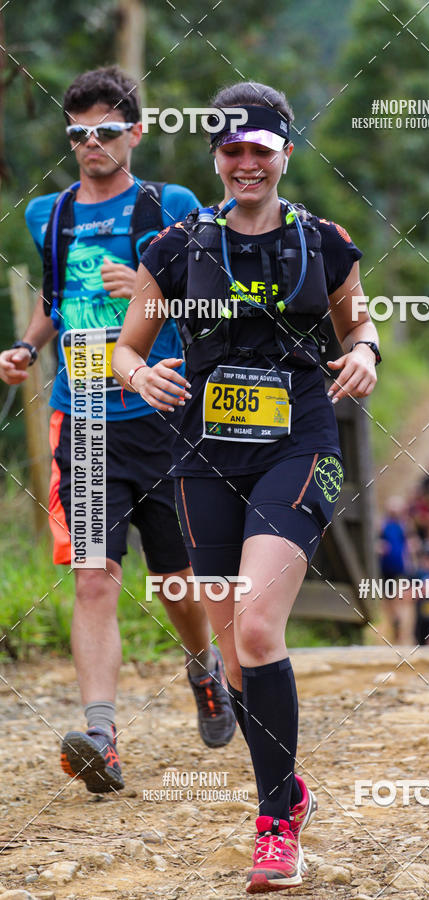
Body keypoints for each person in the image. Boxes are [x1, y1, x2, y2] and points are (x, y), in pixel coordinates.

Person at [112, 81, 380, 893]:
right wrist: (137, 376)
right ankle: (291, 788)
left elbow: (357, 319)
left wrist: (365, 352)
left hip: (298, 446)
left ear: (284, 155)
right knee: (235, 659)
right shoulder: (176, 247)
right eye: (231, 151)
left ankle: (273, 827)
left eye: (260, 150)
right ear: (216, 159)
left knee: (259, 629)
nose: (245, 164)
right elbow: (126, 350)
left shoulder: (325, 243)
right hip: (201, 458)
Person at [0, 67, 236, 795]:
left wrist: (148, 289)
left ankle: (205, 668)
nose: (90, 144)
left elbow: (219, 295)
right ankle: (101, 734)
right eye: (78, 133)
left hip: (166, 417)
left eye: (105, 130)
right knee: (94, 580)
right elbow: (53, 292)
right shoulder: (50, 212)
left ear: (136, 132)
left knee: (174, 582)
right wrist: (30, 344)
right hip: (89, 418)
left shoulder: (175, 205)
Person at [378, 496, 410, 642]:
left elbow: (409, 545)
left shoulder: (403, 526)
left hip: (398, 568)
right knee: (388, 600)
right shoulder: (383, 526)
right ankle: (394, 624)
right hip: (386, 568)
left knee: (396, 598)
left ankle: (399, 627)